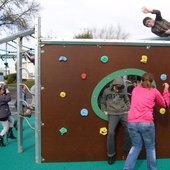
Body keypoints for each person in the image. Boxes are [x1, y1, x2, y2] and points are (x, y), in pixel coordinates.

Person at [123, 73, 169, 170]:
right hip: (146, 123)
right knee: (150, 147)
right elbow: (165, 104)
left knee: (135, 146)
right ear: (152, 82)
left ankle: (127, 168)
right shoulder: (154, 91)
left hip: (132, 123)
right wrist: (166, 90)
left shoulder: (135, 90)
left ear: (141, 81)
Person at [100, 77, 131, 165]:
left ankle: (128, 151)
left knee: (129, 129)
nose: (118, 90)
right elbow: (102, 101)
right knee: (111, 132)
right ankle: (111, 155)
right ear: (113, 85)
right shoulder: (107, 91)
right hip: (112, 113)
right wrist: (104, 110)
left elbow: (127, 100)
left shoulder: (123, 89)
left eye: (120, 88)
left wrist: (129, 109)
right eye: (117, 88)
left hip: (123, 112)